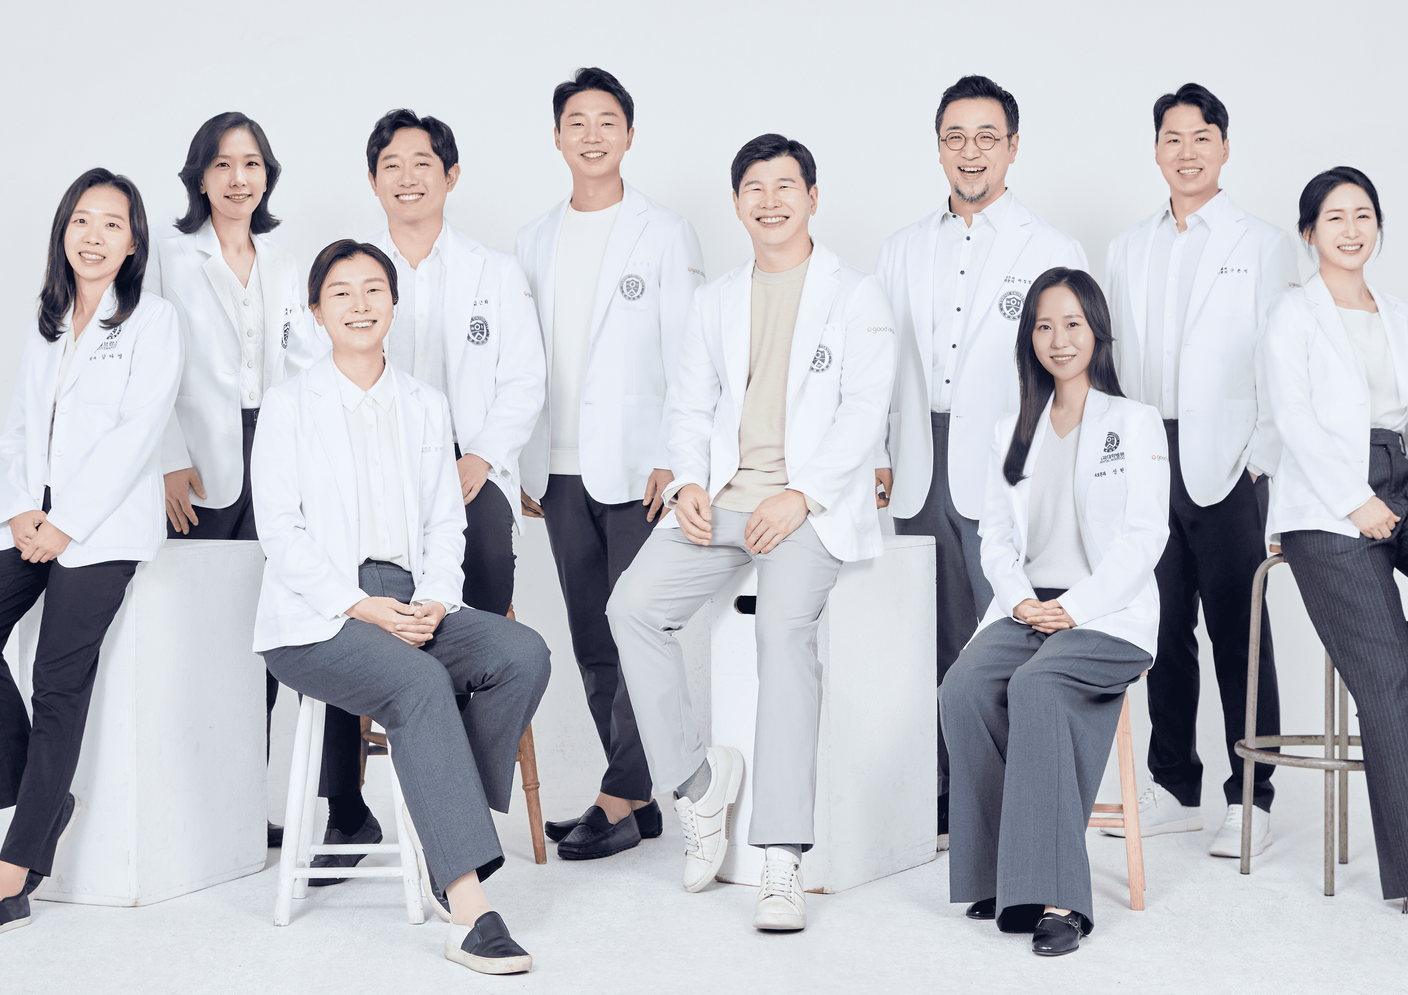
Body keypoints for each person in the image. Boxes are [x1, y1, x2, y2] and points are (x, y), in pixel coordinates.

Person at [606, 134, 896, 932]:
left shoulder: (856, 294)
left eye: (786, 186)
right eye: (754, 189)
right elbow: (689, 405)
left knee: (781, 634)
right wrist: (691, 480)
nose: (770, 200)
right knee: (631, 607)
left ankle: (781, 854)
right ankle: (700, 790)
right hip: (723, 501)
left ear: (812, 196)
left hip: (810, 505)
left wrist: (801, 494)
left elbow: (863, 412)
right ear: (737, 203)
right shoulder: (716, 301)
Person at [251, 239, 550, 973]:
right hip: (318, 616)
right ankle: (470, 904)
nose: (360, 304)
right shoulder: (290, 405)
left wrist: (434, 602)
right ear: (317, 311)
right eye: (342, 292)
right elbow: (280, 533)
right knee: (417, 685)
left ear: (394, 303)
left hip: (411, 598)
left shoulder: (424, 403)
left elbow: (445, 523)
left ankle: (443, 818)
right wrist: (360, 605)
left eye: (374, 289)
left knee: (521, 653)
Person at [875, 74, 1087, 845]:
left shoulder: (1052, 248)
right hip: (914, 459)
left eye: (987, 137)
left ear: (1013, 147)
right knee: (919, 634)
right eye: (956, 138)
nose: (971, 152)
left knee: (993, 633)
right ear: (938, 147)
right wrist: (878, 449)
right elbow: (880, 363)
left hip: (1006, 462)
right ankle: (935, 793)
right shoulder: (901, 249)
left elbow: (1071, 365)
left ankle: (993, 800)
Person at [941, 267, 1169, 957]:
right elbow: (996, 534)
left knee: (1037, 686)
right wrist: (1019, 600)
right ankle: (996, 878)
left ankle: (1060, 895)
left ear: (1097, 329)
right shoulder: (1016, 427)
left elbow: (1144, 536)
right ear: (1028, 335)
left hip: (1108, 613)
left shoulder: (1132, 422)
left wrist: (1073, 608)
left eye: (1072, 322)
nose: (1058, 338)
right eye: (1043, 324)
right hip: (1027, 606)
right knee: (964, 687)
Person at [346, 108, 544, 877]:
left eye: (422, 163)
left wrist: (481, 455)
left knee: (486, 562)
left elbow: (523, 378)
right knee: (350, 594)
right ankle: (344, 801)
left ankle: (456, 778)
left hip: (470, 471)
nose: (407, 177)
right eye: (390, 165)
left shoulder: (494, 272)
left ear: (450, 176)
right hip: (374, 477)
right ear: (373, 180)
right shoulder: (358, 275)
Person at [515, 67, 705, 860]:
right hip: (558, 470)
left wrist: (674, 455)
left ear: (630, 134)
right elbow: (524, 363)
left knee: (638, 627)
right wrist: (522, 465)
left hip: (640, 470)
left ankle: (623, 791)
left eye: (607, 121)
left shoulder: (664, 233)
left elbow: (690, 354)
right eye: (576, 121)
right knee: (592, 635)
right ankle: (635, 790)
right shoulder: (533, 239)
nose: (591, 134)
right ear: (557, 136)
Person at [1104, 83, 1298, 856]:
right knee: (1161, 627)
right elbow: (1113, 360)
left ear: (1224, 147)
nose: (1186, 151)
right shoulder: (1127, 246)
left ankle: (1255, 790)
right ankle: (1176, 782)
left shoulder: (1261, 243)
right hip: (1150, 457)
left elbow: (1281, 364)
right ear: (1156, 149)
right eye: (1172, 138)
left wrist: (1261, 463)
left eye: (1201, 137)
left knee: (1238, 630)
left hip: (1227, 462)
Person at [0, 169, 181, 935]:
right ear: (63, 232)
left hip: (102, 531)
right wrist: (20, 511)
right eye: (82, 219)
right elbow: (14, 422)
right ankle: (30, 780)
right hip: (30, 519)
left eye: (113, 223)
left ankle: (16, 864)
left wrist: (65, 523)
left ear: (133, 241)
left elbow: (134, 435)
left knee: (57, 682)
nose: (95, 235)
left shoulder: (154, 320)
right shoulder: (42, 321)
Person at [145, 111, 327, 853]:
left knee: (267, 631)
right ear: (199, 176)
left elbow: (306, 357)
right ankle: (190, 808)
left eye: (251, 164)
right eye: (223, 165)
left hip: (274, 451)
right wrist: (165, 455)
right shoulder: (166, 254)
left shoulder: (283, 259)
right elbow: (145, 356)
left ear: (267, 175)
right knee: (195, 631)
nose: (238, 178)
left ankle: (244, 806)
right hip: (197, 455)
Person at [1263, 167, 1408, 909]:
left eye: (1363, 215)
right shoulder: (1295, 314)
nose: (1351, 229)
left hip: (1402, 473)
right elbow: (1296, 419)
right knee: (1388, 674)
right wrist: (1359, 503)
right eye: (1334, 217)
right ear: (1309, 232)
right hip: (1330, 504)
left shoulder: (1393, 309)